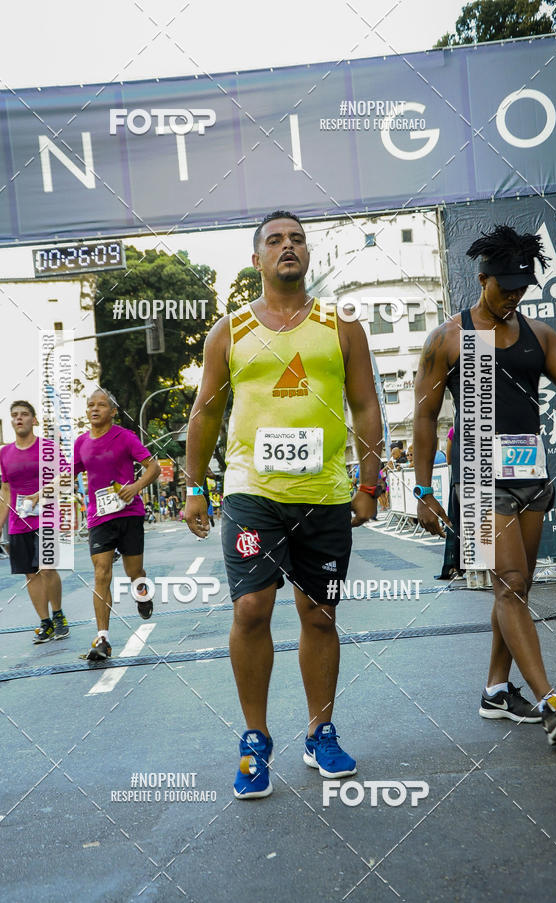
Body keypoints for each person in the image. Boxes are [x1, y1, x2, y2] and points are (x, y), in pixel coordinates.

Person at [185, 209, 382, 798]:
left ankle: (320, 730)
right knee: (251, 612)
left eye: (297, 238)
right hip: (252, 494)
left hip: (323, 494)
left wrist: (369, 483)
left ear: (308, 254)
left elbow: (367, 405)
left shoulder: (341, 322)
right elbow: (206, 412)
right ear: (257, 259)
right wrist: (196, 486)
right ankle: (254, 739)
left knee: (319, 616)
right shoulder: (230, 330)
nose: (288, 246)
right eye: (275, 240)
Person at [413, 224, 556, 747]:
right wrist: (422, 491)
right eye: (504, 289)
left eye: (522, 289)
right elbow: (424, 418)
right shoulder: (450, 338)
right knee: (509, 584)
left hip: (529, 474)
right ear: (481, 280)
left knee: (516, 589)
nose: (513, 297)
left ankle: (496, 691)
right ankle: (552, 703)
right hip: (480, 474)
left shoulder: (539, 336)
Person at [74, 388, 160, 661]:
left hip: (129, 513)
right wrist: (40, 493)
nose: (94, 409)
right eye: (90, 405)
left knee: (134, 571)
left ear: (113, 412)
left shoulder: (125, 437)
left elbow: (153, 467)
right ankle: (103, 638)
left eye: (101, 405)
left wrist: (135, 487)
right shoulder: (81, 443)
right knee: (101, 574)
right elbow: (66, 476)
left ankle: (142, 595)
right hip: (100, 518)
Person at [0, 401, 69, 643]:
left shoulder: (48, 448)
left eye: (24, 414)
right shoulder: (5, 453)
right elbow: (6, 490)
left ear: (34, 420)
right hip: (18, 522)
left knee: (47, 568)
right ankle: (45, 623)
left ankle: (58, 615)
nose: (19, 418)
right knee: (30, 574)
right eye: (14, 415)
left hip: (46, 518)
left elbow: (66, 477)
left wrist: (41, 493)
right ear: (11, 421)